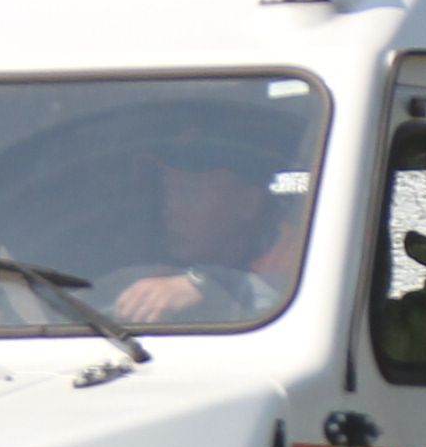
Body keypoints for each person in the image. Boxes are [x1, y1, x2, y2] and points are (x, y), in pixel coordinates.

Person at [100, 128, 309, 327]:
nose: (172, 209)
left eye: (189, 193)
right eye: (167, 190)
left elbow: (293, 305)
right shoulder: (139, 247)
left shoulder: (297, 250)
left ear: (247, 202)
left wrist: (206, 286)